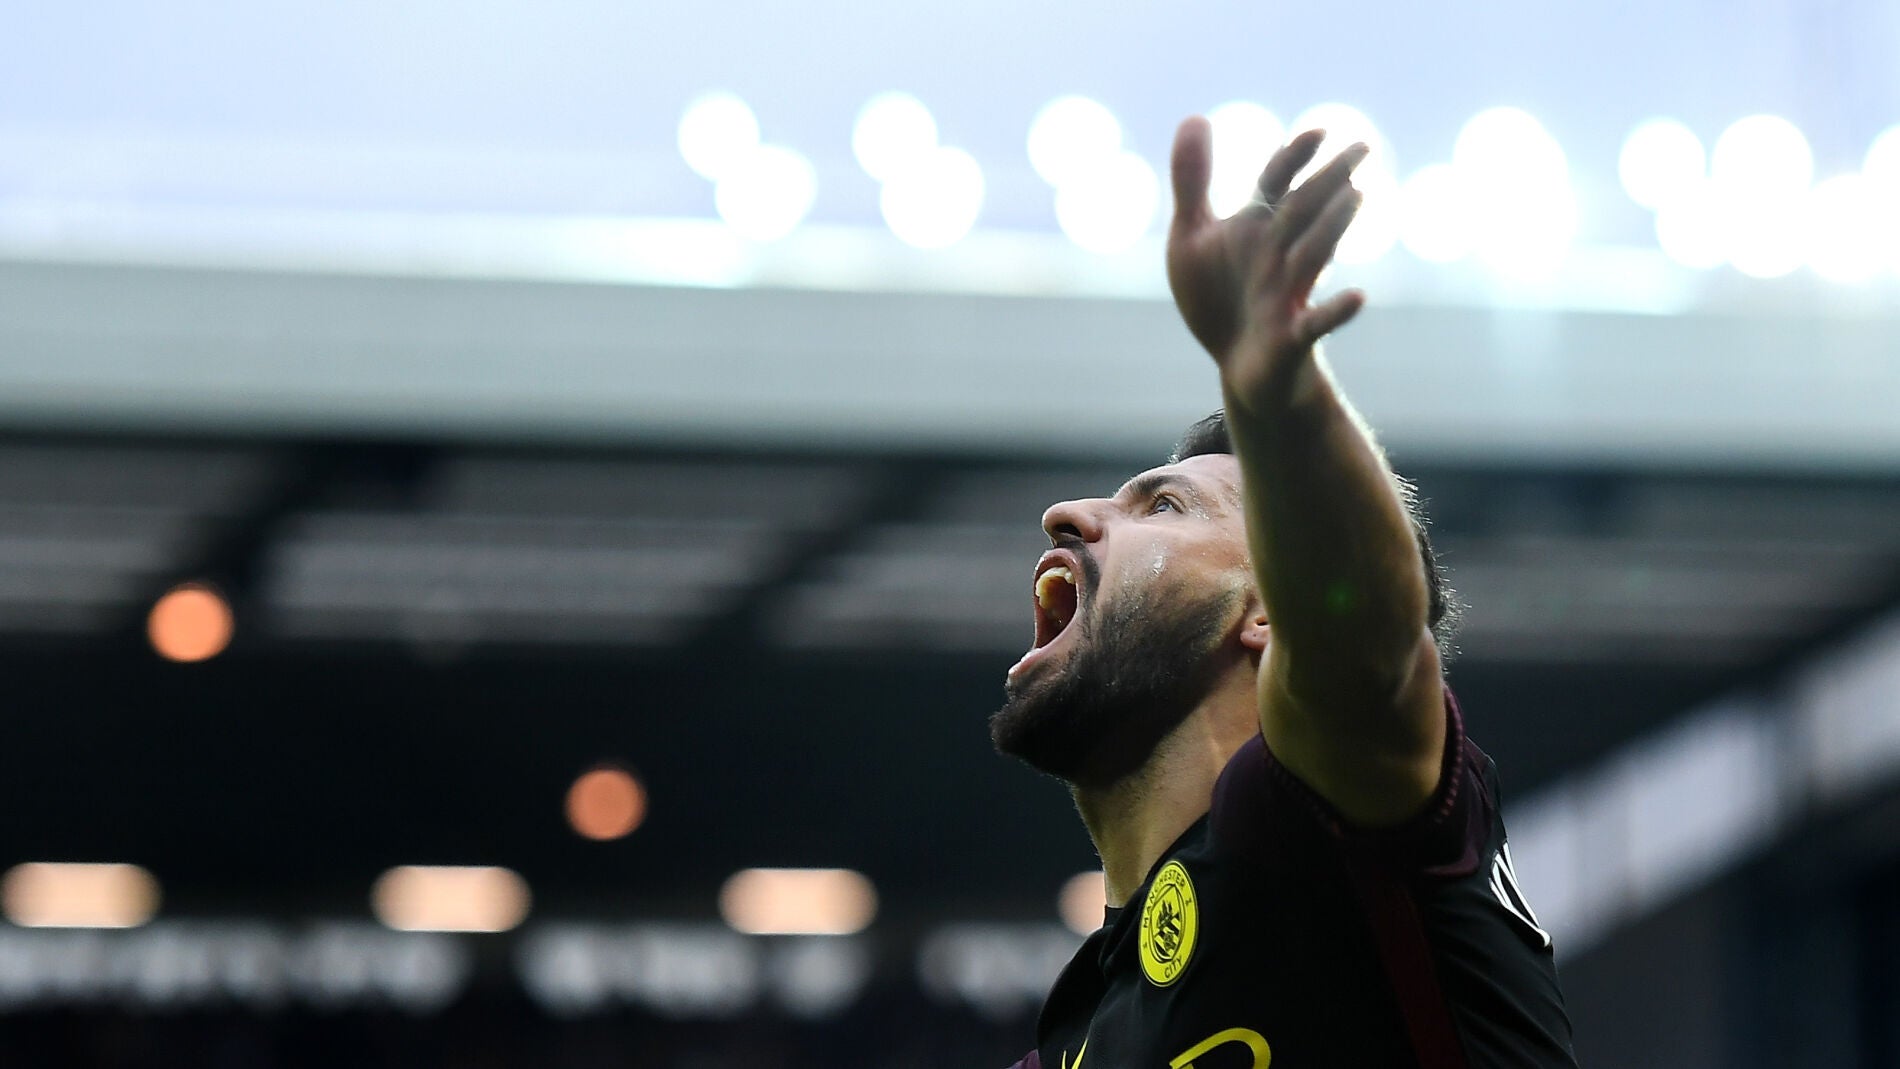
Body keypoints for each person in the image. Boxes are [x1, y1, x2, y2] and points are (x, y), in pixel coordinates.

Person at [991, 120, 1578, 1067]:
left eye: (1163, 506)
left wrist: (1280, 392)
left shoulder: (1326, 820)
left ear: (1273, 612)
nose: (1069, 514)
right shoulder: (1077, 1032)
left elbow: (1369, 646)